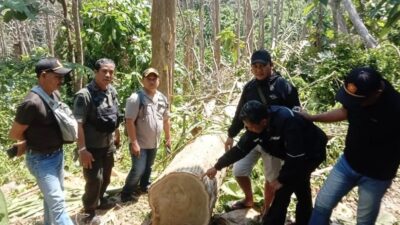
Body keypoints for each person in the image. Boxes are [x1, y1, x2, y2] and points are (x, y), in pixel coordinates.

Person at [302, 67, 400, 225]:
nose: (354, 104)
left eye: (358, 101)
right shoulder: (358, 97)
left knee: (364, 221)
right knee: (321, 205)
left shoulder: (395, 108)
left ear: (377, 93)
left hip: (377, 176)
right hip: (348, 164)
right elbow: (344, 111)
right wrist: (312, 117)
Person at [203, 100, 327, 225]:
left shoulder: (287, 120)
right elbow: (239, 150)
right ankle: (305, 220)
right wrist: (217, 166)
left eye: (250, 126)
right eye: (246, 126)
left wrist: (281, 180)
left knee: (283, 192)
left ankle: (275, 221)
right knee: (301, 186)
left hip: (311, 153)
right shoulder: (254, 129)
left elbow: (295, 157)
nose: (248, 129)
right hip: (294, 155)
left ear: (263, 122)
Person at [225, 49, 300, 212]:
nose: (258, 70)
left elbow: (296, 114)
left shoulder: (283, 86)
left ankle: (267, 209)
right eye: (255, 66)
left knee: (271, 178)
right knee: (239, 170)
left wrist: (290, 142)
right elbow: (240, 113)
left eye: (262, 66)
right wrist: (231, 134)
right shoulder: (250, 87)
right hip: (252, 137)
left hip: (274, 142)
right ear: (251, 68)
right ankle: (249, 200)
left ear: (271, 65)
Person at [8, 57, 74, 225]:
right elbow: (15, 133)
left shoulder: (54, 94)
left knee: (51, 201)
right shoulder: (31, 103)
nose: (61, 81)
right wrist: (28, 141)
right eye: (57, 77)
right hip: (41, 160)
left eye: (62, 77)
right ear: (43, 75)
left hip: (57, 155)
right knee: (58, 204)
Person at [73, 58, 121, 223]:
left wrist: (117, 135)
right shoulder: (84, 95)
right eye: (104, 71)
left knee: (106, 177)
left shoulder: (111, 91)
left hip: (107, 145)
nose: (108, 75)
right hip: (91, 147)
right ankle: (89, 210)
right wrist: (82, 150)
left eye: (111, 72)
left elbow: (115, 116)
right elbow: (78, 124)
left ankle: (99, 200)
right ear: (95, 72)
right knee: (94, 180)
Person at [121, 67, 171, 203]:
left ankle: (144, 186)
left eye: (154, 78)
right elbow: (129, 121)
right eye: (149, 78)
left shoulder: (162, 98)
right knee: (138, 169)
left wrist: (168, 138)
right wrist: (134, 143)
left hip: (154, 142)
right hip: (140, 143)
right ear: (143, 80)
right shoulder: (136, 98)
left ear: (159, 81)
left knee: (148, 167)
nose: (152, 81)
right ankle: (126, 193)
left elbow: (166, 120)